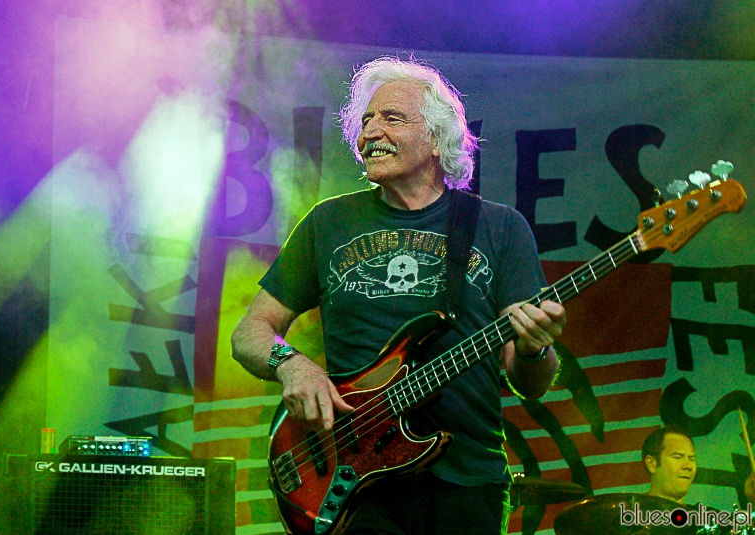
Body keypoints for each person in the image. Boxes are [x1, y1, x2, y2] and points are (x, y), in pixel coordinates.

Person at [231, 57, 566, 535]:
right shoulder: (328, 223)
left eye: (391, 118)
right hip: (352, 482)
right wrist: (293, 363)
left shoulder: (499, 228)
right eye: (366, 120)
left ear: (436, 139)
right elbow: (249, 332)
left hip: (467, 481)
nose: (370, 132)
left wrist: (537, 348)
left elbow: (528, 381)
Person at [641, 426, 755, 505]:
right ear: (652, 464)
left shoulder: (709, 520)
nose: (688, 465)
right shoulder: (628, 516)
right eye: (678, 457)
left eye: (691, 458)